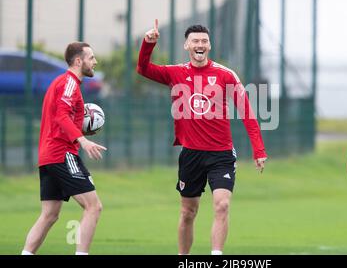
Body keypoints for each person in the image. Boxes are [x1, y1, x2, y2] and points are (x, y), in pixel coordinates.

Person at [137, 20, 267, 255]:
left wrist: (258, 150)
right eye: (195, 41)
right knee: (188, 212)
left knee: (222, 205)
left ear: (210, 46)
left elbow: (248, 114)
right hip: (191, 155)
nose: (200, 44)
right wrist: (148, 44)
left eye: (204, 41)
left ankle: (216, 256)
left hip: (222, 155)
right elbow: (143, 69)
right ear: (187, 45)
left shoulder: (226, 75)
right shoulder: (176, 73)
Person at [21, 42, 107, 255]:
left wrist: (79, 130)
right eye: (91, 57)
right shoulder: (69, 82)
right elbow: (61, 115)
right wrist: (82, 141)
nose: (95, 61)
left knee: (49, 214)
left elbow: (60, 118)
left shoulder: (62, 83)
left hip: (48, 156)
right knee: (93, 207)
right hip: (62, 154)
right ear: (79, 61)